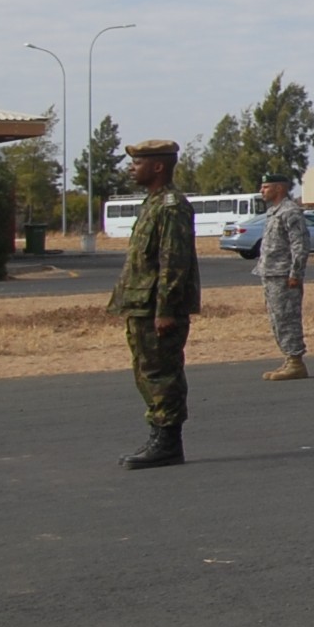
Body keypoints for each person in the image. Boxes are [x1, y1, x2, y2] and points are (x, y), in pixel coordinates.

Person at [110, 138, 201, 469]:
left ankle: (167, 442)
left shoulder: (171, 206)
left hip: (157, 309)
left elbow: (173, 263)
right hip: (141, 305)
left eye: (138, 163)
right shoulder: (153, 203)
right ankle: (159, 434)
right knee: (148, 372)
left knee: (162, 373)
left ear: (158, 166)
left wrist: (165, 309)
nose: (132, 168)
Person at [256, 171, 309, 382]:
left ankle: (296, 361)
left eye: (266, 187)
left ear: (279, 188)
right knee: (277, 319)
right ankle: (289, 358)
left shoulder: (290, 211)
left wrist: (295, 273)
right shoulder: (273, 212)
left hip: (284, 274)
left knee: (287, 318)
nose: (262, 190)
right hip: (271, 273)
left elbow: (300, 245)